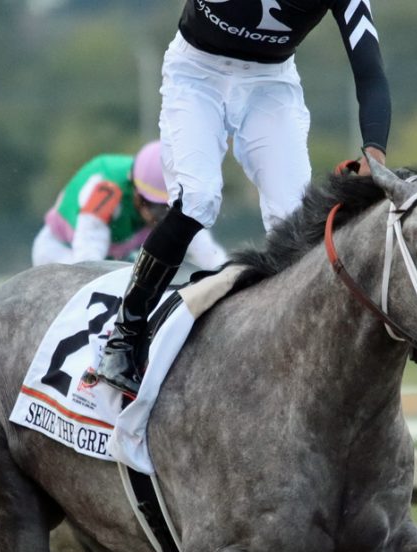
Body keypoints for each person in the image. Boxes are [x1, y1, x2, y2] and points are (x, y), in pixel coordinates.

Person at [97, 0, 392, 394]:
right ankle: (125, 334)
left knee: (298, 224)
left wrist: (374, 153)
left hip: (270, 83)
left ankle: (299, 347)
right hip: (196, 72)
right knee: (197, 200)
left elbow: (370, 72)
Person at [31, 140, 228, 269]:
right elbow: (87, 263)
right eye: (156, 208)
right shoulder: (107, 189)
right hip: (61, 252)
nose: (160, 217)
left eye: (168, 208)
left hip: (116, 258)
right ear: (137, 192)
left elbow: (204, 249)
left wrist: (224, 269)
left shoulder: (155, 187)